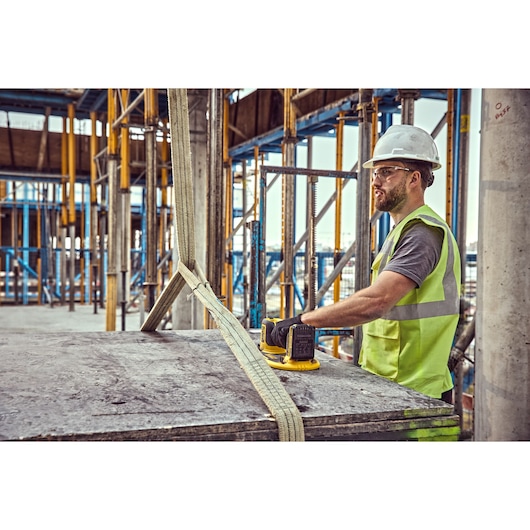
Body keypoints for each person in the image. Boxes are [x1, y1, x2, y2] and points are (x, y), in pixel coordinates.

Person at [270, 124, 461, 403]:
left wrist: (304, 321)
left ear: (414, 179)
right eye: (375, 173)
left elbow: (377, 301)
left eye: (386, 172)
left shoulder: (422, 233)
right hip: (394, 385)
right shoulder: (402, 230)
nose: (375, 181)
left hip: (417, 394)